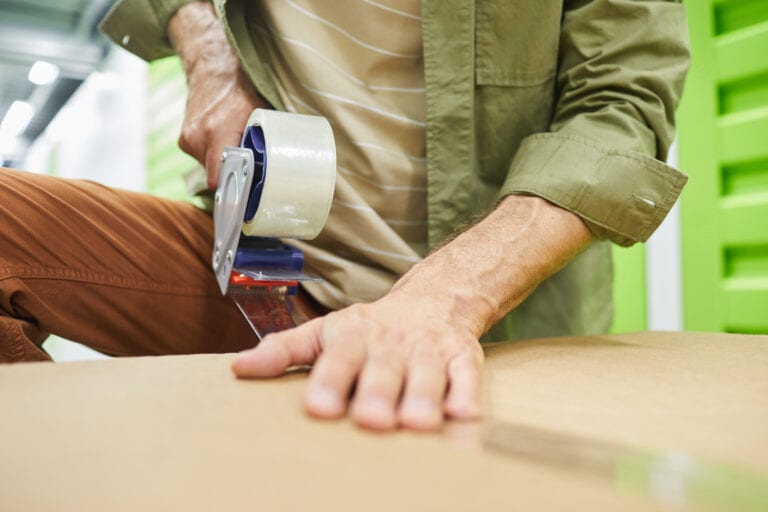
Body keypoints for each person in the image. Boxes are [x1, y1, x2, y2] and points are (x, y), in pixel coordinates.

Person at [0, 0, 689, 431]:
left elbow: (620, 108)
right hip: (267, 273)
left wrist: (441, 302)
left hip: (489, 313)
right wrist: (208, 53)